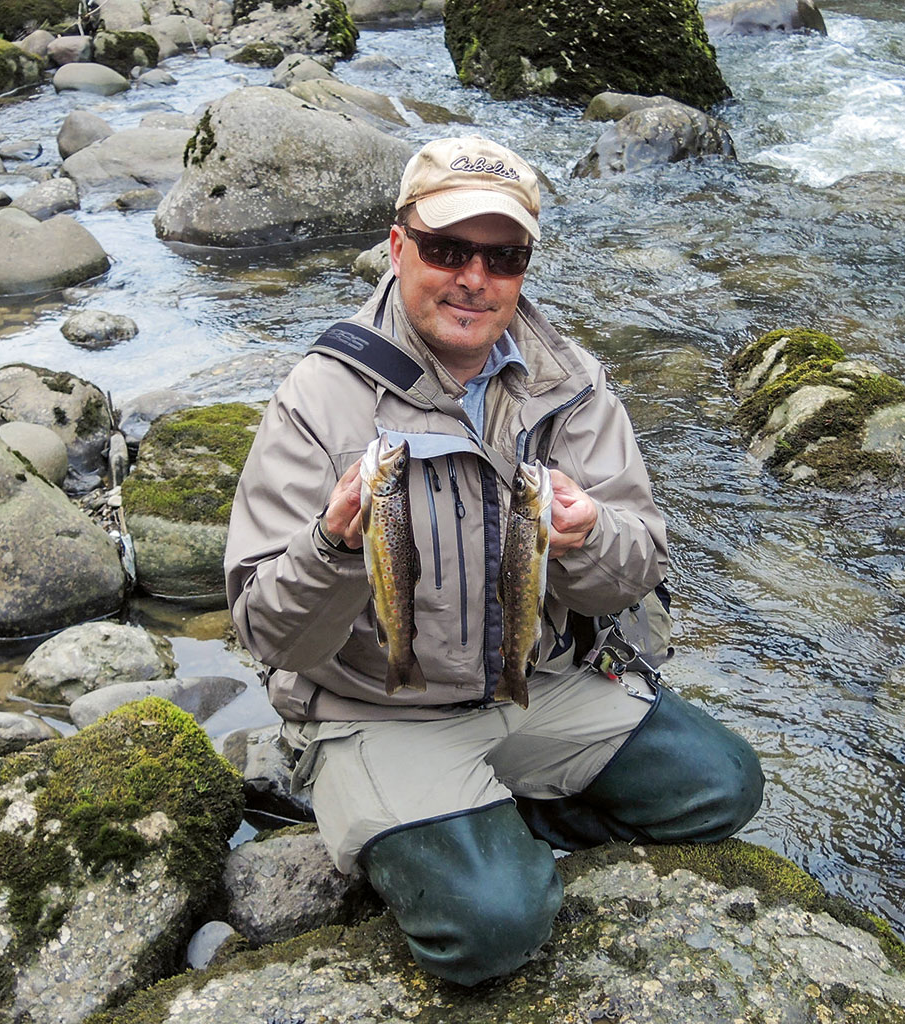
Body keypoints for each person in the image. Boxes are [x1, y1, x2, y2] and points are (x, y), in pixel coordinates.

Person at [225, 136, 764, 986]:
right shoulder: (318, 399)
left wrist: (591, 535)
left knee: (725, 786)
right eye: (447, 249)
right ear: (398, 245)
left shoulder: (571, 384)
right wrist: (331, 547)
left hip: (538, 681)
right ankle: (445, 836)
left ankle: (496, 826)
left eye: (503, 257)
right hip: (380, 707)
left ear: (524, 268)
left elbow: (639, 563)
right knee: (493, 927)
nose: (473, 278)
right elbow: (268, 633)